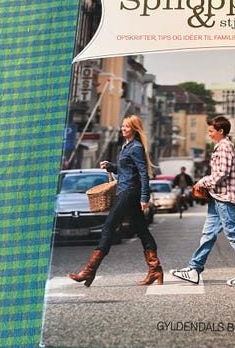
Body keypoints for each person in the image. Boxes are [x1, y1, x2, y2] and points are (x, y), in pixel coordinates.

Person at [68, 115, 164, 287]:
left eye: (127, 126)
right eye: (123, 126)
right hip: (125, 190)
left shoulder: (136, 147)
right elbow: (126, 169)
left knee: (108, 227)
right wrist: (111, 166)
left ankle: (89, 271)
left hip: (128, 192)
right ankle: (155, 269)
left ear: (134, 129)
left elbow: (143, 173)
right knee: (142, 230)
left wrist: (144, 197)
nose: (123, 129)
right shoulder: (126, 146)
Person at [170, 115, 235, 287]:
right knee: (208, 234)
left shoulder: (224, 146)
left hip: (224, 199)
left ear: (221, 131)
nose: (209, 134)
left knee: (233, 234)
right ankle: (194, 269)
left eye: (211, 131)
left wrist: (202, 182)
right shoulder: (221, 146)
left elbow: (222, 173)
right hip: (217, 197)